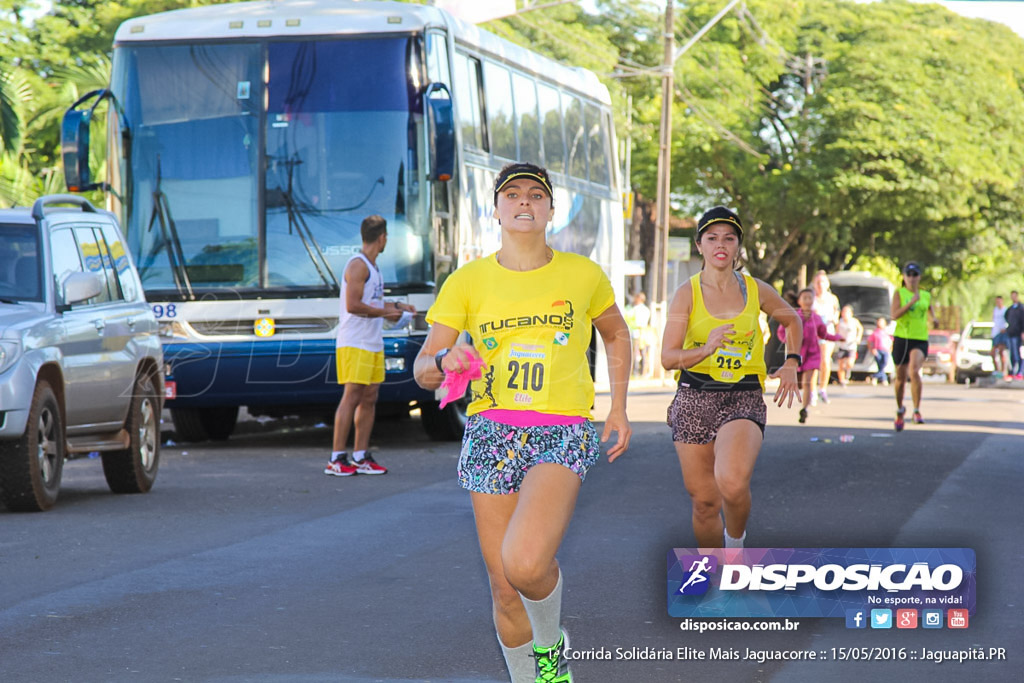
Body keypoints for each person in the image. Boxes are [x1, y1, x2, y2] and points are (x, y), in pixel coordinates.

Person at [413, 162, 632, 683]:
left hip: (561, 428)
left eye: (536, 195)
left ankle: (551, 649)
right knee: (504, 587)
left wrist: (619, 406)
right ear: (496, 210)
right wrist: (447, 362)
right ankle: (529, 679)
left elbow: (617, 335)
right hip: (491, 433)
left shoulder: (583, 275)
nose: (525, 203)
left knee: (527, 562)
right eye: (513, 195)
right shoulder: (467, 281)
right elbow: (424, 366)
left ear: (551, 210)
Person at [661, 206, 801, 550]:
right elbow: (668, 357)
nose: (720, 244)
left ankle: (735, 545)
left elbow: (793, 320)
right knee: (705, 503)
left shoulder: (756, 289)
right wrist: (705, 350)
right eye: (712, 238)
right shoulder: (687, 293)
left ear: (738, 245)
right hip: (695, 397)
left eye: (729, 237)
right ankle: (712, 572)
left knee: (732, 482)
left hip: (743, 396)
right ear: (699, 245)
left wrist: (792, 362)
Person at [325, 215, 416, 477]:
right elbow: (353, 306)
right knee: (351, 395)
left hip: (372, 342)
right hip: (355, 342)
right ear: (383, 238)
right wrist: (387, 313)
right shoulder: (358, 266)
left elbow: (373, 303)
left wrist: (398, 307)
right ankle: (336, 458)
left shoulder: (374, 267)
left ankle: (361, 455)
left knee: (370, 397)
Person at [777, 288, 843, 423]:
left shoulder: (817, 318)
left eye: (810, 298)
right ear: (799, 301)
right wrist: (788, 341)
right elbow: (781, 331)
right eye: (805, 298)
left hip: (813, 353)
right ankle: (803, 399)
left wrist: (837, 338)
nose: (808, 300)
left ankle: (804, 409)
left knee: (808, 382)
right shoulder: (793, 315)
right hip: (797, 353)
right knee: (799, 383)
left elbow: (823, 334)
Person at [890, 261, 935, 431]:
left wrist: (934, 319)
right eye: (908, 275)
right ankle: (900, 409)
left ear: (919, 277)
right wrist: (910, 303)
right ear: (904, 277)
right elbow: (894, 315)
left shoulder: (925, 295)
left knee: (914, 370)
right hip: (902, 338)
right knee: (900, 378)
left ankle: (916, 410)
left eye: (915, 274)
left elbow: (930, 312)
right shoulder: (899, 293)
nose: (912, 278)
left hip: (919, 338)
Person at [811, 270, 841, 405]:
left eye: (822, 282)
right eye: (818, 282)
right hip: (813, 332)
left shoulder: (832, 298)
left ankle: (822, 388)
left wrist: (834, 319)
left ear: (827, 283)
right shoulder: (811, 297)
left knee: (825, 361)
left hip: (827, 332)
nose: (820, 285)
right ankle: (812, 392)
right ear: (814, 284)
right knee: (813, 363)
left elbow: (837, 312)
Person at [625, 291, 653, 376]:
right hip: (644, 334)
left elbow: (630, 320)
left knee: (635, 353)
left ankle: (635, 371)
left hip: (636, 333)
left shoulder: (635, 309)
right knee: (644, 353)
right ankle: (643, 372)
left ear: (639, 299)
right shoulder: (646, 309)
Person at [835, 305, 864, 387]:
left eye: (847, 311)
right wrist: (838, 338)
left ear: (851, 313)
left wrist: (858, 337)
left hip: (851, 346)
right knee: (841, 365)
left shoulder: (854, 321)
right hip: (842, 345)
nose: (845, 313)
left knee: (849, 363)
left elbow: (860, 329)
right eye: (843, 311)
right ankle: (842, 381)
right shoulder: (839, 322)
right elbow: (836, 332)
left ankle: (848, 372)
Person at [866, 317, 893, 386]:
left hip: (885, 350)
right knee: (880, 365)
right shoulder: (875, 332)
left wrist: (890, 349)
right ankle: (884, 379)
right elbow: (869, 341)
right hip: (877, 350)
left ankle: (874, 377)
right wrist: (871, 349)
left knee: (884, 364)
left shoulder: (887, 332)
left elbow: (892, 341)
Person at [1005, 291, 1024, 381]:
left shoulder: (1021, 308)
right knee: (1012, 354)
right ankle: (1012, 371)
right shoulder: (1010, 309)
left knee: (1017, 353)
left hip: (1017, 333)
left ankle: (1020, 371)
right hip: (1010, 333)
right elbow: (1006, 317)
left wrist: (1022, 331)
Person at [991, 295, 1008, 376]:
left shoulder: (1005, 310)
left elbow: (1009, 321)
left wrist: (1005, 328)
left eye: (999, 301)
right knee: (993, 352)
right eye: (996, 301)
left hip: (1002, 333)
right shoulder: (995, 310)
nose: (998, 303)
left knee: (1001, 351)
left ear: (1002, 301)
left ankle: (1003, 370)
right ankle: (996, 369)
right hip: (995, 333)